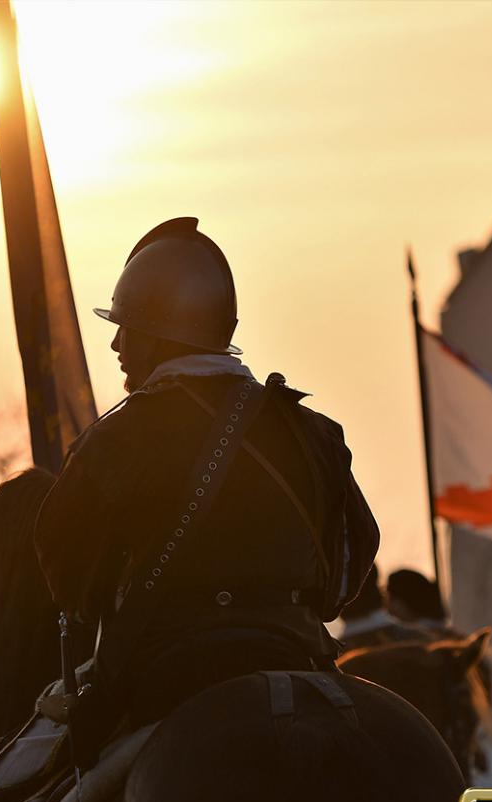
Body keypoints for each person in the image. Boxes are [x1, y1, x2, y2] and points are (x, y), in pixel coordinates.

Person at [34, 216, 380, 756]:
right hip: (299, 652)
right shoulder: (312, 431)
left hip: (162, 673)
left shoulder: (118, 436)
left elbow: (67, 571)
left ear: (158, 333)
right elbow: (351, 560)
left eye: (129, 327)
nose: (116, 343)